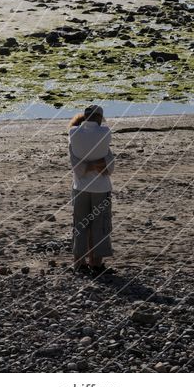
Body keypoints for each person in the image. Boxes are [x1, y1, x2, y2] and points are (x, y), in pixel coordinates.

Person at [68, 104, 115, 276]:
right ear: (99, 118)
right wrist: (96, 164)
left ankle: (78, 263)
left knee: (80, 226)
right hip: (101, 187)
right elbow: (109, 165)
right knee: (100, 225)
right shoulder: (105, 133)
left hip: (80, 186)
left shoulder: (73, 133)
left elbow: (77, 166)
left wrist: (87, 166)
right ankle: (96, 263)